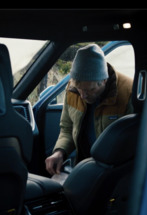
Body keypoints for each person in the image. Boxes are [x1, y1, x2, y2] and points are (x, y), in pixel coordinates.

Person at [45, 44, 134, 175]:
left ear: (104, 81)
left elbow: (131, 143)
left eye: (90, 90)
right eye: (79, 89)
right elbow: (67, 128)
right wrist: (59, 152)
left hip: (113, 170)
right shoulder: (72, 89)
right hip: (83, 166)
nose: (83, 95)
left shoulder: (128, 92)